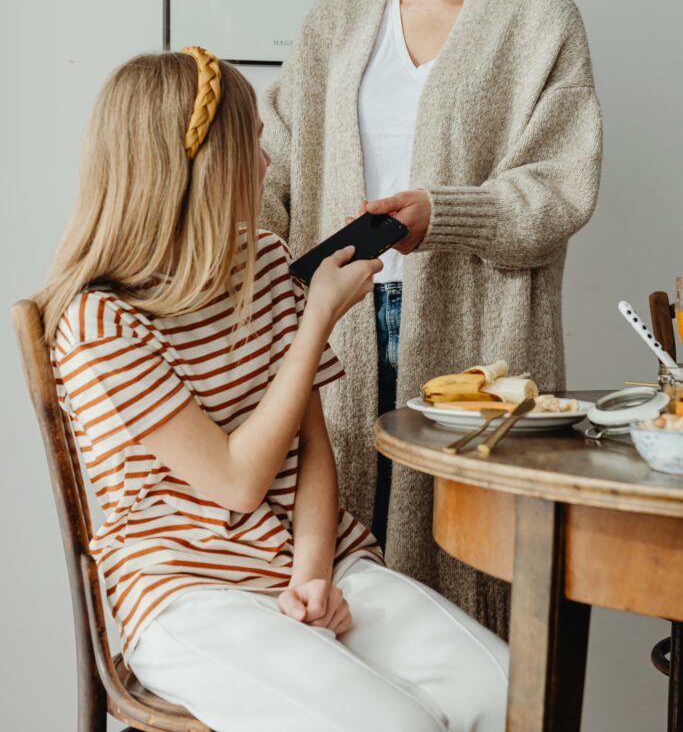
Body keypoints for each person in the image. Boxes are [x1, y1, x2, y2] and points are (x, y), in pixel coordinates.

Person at [39, 48, 508, 732]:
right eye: (250, 143)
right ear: (200, 167)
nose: (265, 163)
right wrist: (317, 318)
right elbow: (237, 482)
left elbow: (312, 445)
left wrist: (312, 574)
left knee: (510, 692)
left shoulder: (263, 261)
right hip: (186, 589)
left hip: (312, 556)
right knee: (397, 725)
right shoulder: (100, 322)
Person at [260, 0, 603, 637]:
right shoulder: (334, 24)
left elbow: (559, 188)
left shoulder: (537, 19)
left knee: (471, 584)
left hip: (479, 338)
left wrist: (439, 214)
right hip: (336, 329)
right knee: (346, 575)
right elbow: (272, 175)